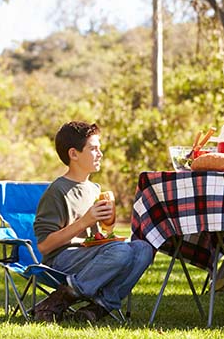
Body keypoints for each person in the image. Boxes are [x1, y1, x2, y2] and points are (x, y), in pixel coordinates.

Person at [31, 121, 153, 323]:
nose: (100, 154)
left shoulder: (95, 189)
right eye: (93, 148)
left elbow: (97, 237)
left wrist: (107, 229)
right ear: (74, 154)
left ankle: (98, 308)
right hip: (61, 259)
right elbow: (44, 246)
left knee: (143, 249)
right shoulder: (57, 191)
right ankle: (60, 298)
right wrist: (84, 221)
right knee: (121, 251)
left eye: (100, 148)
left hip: (90, 255)